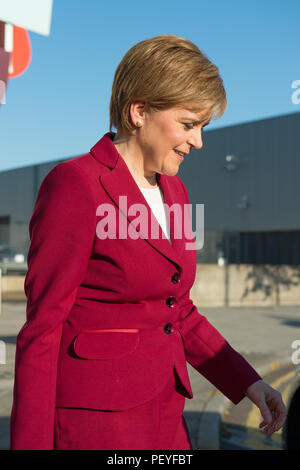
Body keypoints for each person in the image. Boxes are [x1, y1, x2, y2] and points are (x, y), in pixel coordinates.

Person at [10, 34, 286, 450]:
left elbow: (180, 311)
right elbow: (42, 328)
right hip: (97, 421)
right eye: (189, 124)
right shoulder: (75, 185)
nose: (198, 142)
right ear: (139, 111)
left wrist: (248, 381)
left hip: (166, 412)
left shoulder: (176, 193)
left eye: (203, 127)